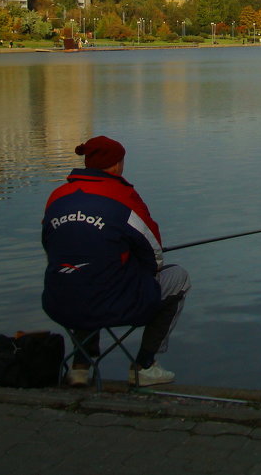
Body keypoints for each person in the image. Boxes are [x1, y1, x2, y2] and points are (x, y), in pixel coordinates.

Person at [41, 135, 190, 387]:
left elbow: (50, 244)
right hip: (111, 303)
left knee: (85, 274)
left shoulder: (57, 196)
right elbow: (154, 255)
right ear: (117, 165)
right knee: (178, 278)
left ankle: (79, 367)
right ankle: (144, 366)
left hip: (57, 302)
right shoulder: (123, 197)